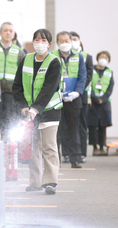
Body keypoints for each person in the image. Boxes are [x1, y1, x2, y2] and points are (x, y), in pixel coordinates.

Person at [13, 29, 62, 195]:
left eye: (43, 40)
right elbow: (17, 85)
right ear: (33, 42)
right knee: (33, 148)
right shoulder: (26, 59)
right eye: (37, 40)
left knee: (49, 148)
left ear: (49, 44)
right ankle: (35, 181)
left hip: (49, 110)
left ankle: (50, 182)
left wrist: (36, 108)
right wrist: (23, 105)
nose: (40, 43)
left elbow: (49, 89)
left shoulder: (54, 62)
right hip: (29, 112)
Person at [51, 31, 86, 168]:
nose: (64, 43)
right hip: (56, 98)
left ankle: (75, 159)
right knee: (57, 130)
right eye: (61, 41)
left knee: (74, 129)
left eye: (67, 40)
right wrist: (55, 92)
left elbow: (82, 76)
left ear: (71, 42)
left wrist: (77, 93)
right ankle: (56, 160)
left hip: (73, 98)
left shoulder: (79, 56)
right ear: (57, 42)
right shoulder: (52, 56)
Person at [0, 22, 25, 141]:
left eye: (11, 31)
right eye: (5, 30)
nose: (8, 33)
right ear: (0, 33)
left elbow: (22, 74)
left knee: (9, 123)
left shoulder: (19, 51)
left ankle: (8, 150)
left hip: (11, 94)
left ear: (14, 34)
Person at [70, 31, 93, 163]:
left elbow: (88, 76)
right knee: (67, 126)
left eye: (75, 39)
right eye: (70, 39)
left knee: (82, 125)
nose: (73, 41)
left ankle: (82, 153)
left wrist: (78, 90)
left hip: (81, 96)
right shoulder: (62, 56)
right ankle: (67, 153)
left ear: (79, 41)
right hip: (66, 96)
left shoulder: (86, 57)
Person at [88, 51, 114, 156]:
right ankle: (95, 147)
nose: (103, 59)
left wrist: (103, 99)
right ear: (97, 58)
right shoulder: (92, 70)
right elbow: (89, 85)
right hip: (93, 102)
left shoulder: (109, 72)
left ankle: (102, 146)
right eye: (102, 57)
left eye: (106, 58)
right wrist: (95, 98)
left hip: (105, 102)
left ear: (108, 60)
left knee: (103, 125)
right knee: (93, 125)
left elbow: (110, 87)